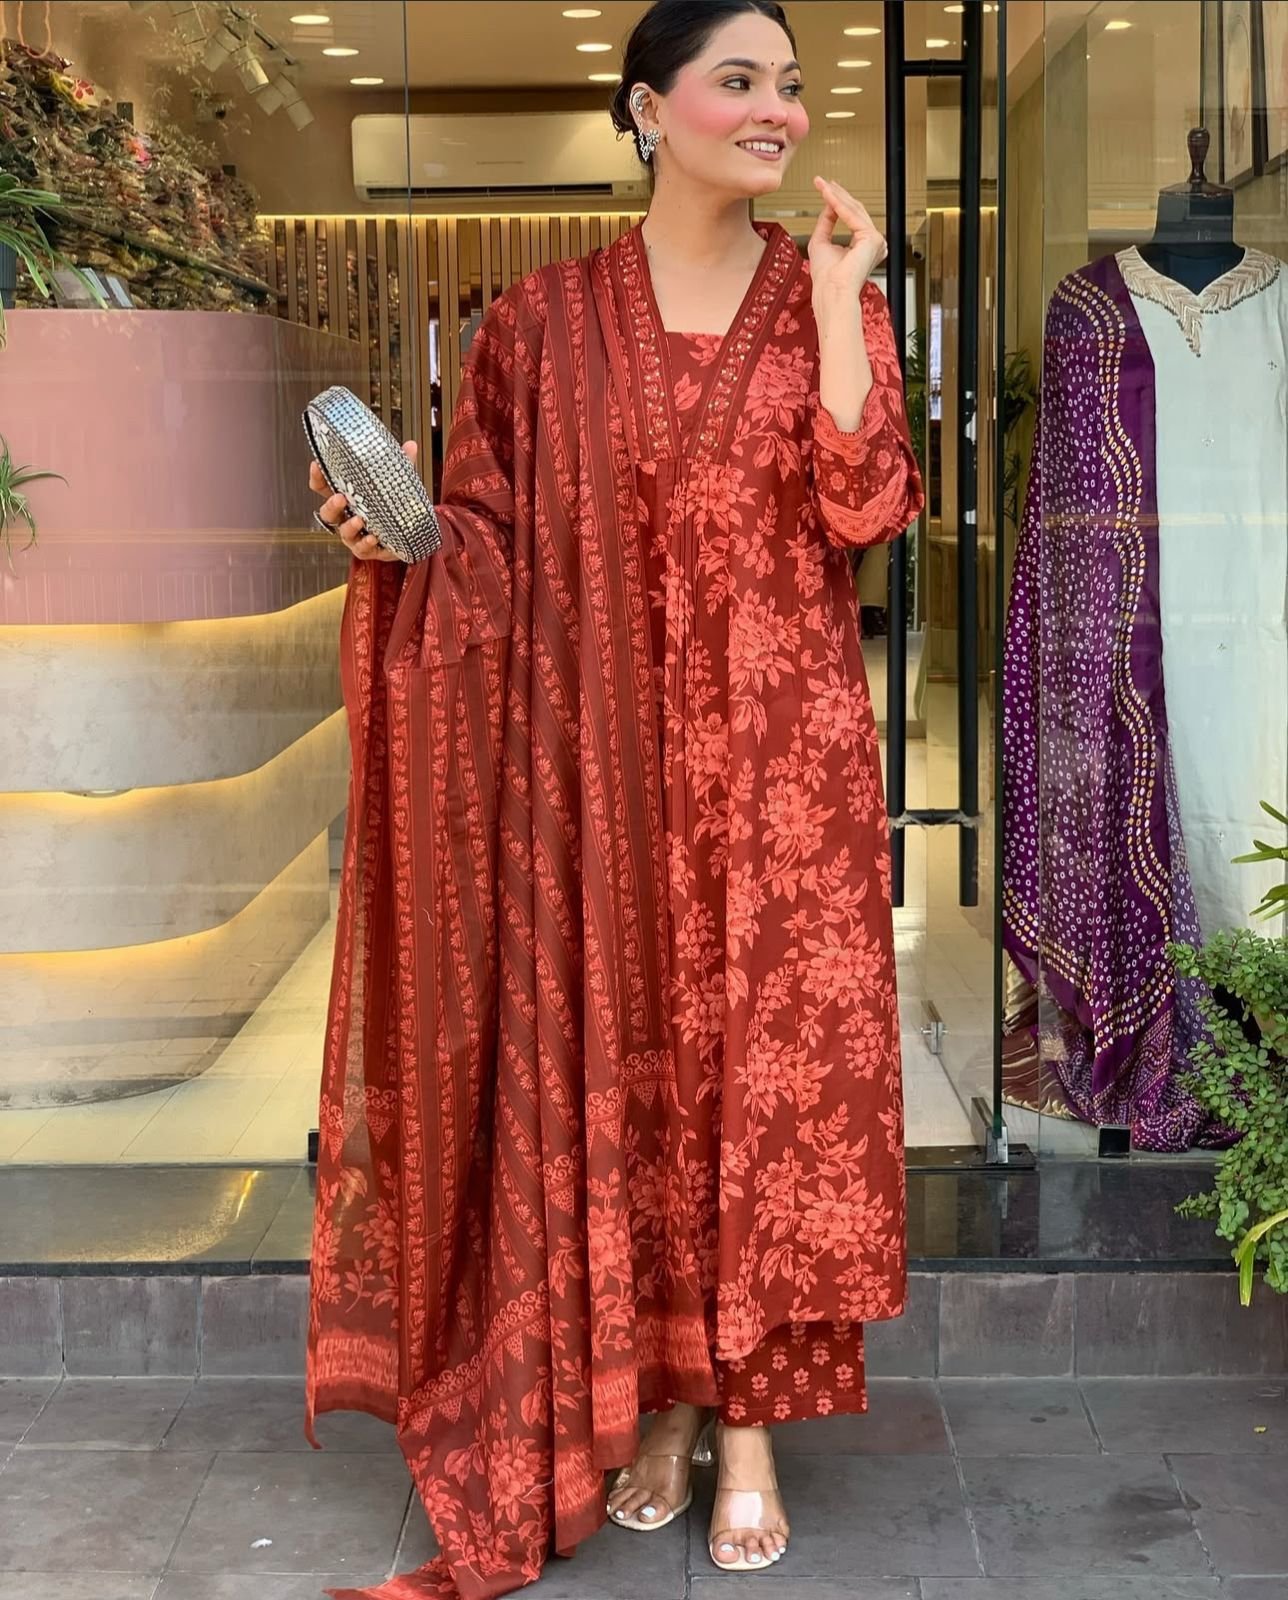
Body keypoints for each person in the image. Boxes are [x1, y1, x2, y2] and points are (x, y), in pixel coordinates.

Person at [306, 3, 922, 1595]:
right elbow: (482, 546)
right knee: (636, 1084)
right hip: (601, 780)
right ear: (651, 109)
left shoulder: (830, 301)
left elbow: (867, 504)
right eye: (740, 82)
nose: (777, 110)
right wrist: (397, 546)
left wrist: (842, 299)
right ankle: (658, 1401)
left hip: (786, 787)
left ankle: (753, 1429)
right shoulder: (539, 322)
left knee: (768, 1096)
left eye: (791, 86)